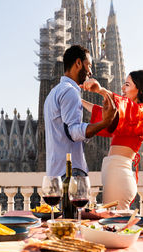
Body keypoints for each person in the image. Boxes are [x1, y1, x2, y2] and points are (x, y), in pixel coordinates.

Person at [81, 70, 143, 210]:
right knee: (115, 225)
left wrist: (101, 90)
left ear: (139, 89)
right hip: (115, 176)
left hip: (118, 177)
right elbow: (105, 115)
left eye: (127, 84)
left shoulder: (141, 112)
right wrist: (80, 102)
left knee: (116, 226)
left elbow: (123, 106)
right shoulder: (131, 115)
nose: (122, 88)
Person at [44, 45, 117, 177]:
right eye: (88, 65)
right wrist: (104, 122)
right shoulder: (70, 91)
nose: (90, 72)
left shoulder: (52, 94)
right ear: (78, 63)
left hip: (55, 172)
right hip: (71, 172)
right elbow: (73, 132)